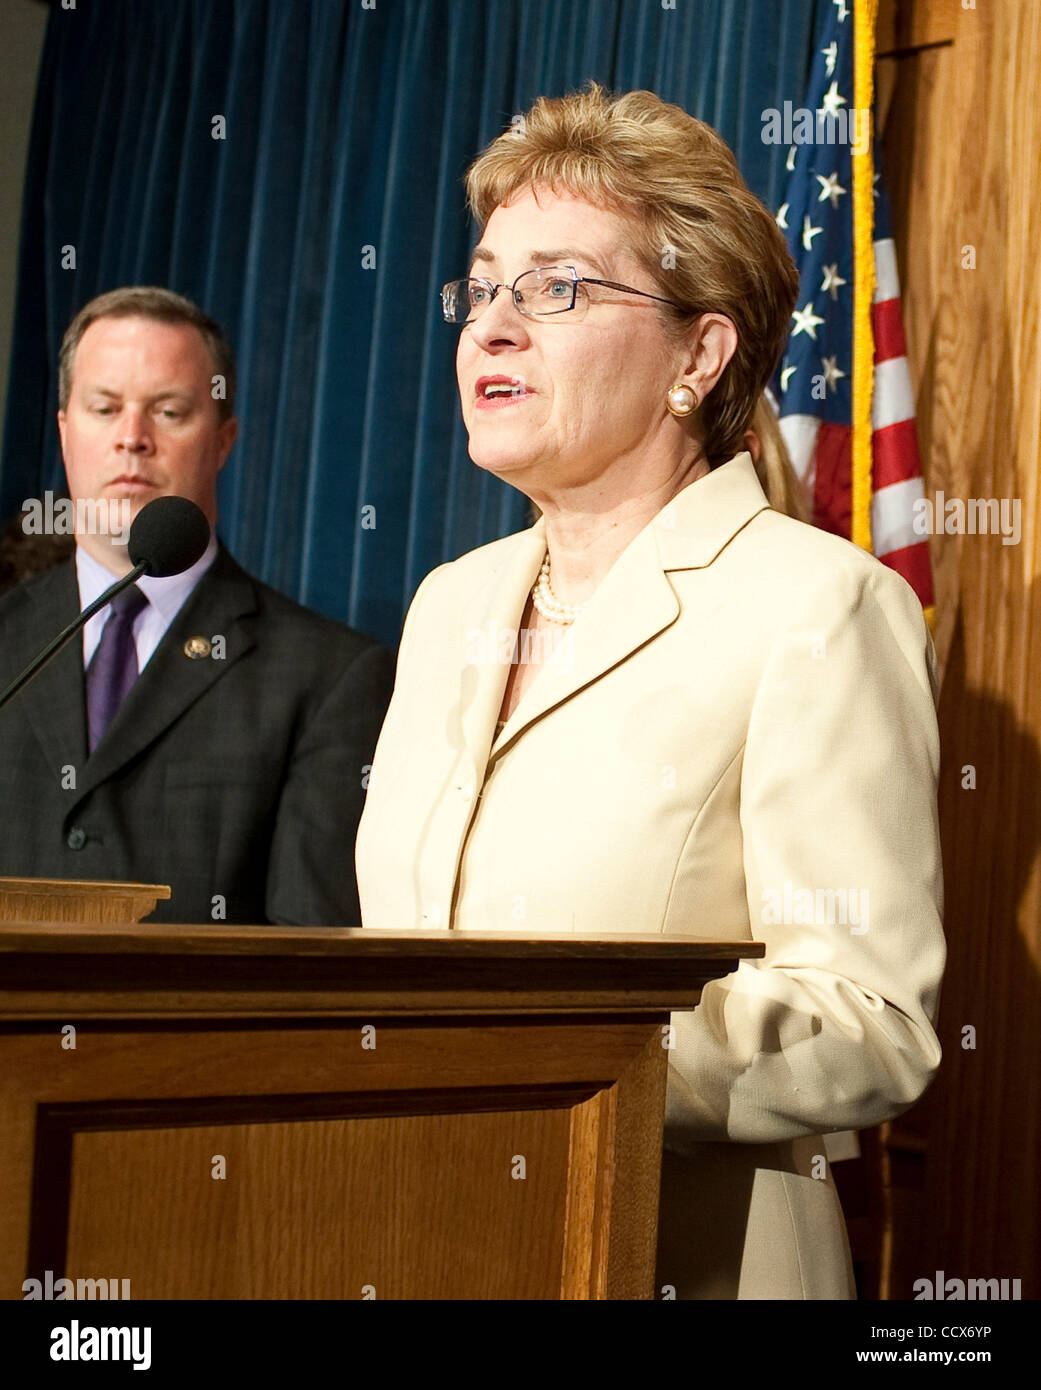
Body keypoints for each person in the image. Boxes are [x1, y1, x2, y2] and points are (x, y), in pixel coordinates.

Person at [355, 84, 945, 1299]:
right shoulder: (448, 606)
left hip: (683, 1259)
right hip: (423, 1232)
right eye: (483, 287)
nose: (492, 328)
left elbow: (872, 1017)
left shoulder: (815, 605)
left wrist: (569, 1067)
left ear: (698, 352)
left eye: (557, 287)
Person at [0, 286, 392, 926]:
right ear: (65, 434)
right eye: (104, 408)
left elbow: (309, 962)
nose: (133, 438)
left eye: (170, 411)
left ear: (223, 440)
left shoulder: (329, 678)